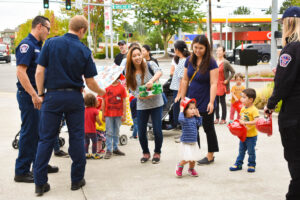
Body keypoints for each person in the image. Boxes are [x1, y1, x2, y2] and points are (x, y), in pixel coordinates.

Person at [34, 15, 106, 196]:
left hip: (52, 96)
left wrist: (41, 94)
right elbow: (90, 83)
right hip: (74, 98)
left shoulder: (50, 44)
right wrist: (102, 92)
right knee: (76, 137)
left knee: (46, 139)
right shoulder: (84, 50)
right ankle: (76, 180)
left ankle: (40, 183)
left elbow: (39, 72)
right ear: (82, 30)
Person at [14, 15, 58, 184]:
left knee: (41, 133)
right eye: (47, 28)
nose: (48, 32)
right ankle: (22, 171)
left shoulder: (38, 46)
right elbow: (21, 72)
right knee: (30, 133)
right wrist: (34, 94)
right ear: (39, 26)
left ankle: (40, 164)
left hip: (38, 97)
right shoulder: (27, 45)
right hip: (28, 97)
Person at [265, 6, 300, 200]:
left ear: (290, 23)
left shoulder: (291, 48)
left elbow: (283, 84)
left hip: (294, 115)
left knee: (295, 160)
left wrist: (270, 104)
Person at [179, 35, 219, 165]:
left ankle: (210, 155)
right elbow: (185, 80)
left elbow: (214, 83)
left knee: (208, 128)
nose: (197, 50)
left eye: (201, 48)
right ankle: (193, 154)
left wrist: (211, 102)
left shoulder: (211, 62)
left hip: (206, 99)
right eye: (195, 47)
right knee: (192, 128)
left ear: (206, 48)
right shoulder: (189, 60)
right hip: (192, 101)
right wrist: (183, 98)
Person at [125, 46, 164, 164]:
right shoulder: (129, 73)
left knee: (157, 130)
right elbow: (133, 91)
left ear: (142, 55)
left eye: (139, 54)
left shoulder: (150, 64)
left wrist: (151, 81)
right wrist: (142, 95)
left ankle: (157, 152)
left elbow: (159, 72)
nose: (137, 57)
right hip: (142, 104)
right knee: (141, 132)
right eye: (134, 55)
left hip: (157, 102)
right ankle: (145, 152)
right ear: (130, 58)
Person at [229, 88, 259, 173]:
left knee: (251, 152)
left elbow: (257, 121)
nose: (241, 99)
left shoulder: (254, 110)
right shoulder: (243, 109)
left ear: (250, 100)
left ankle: (251, 165)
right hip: (243, 135)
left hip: (251, 136)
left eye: (244, 97)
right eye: (241, 97)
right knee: (241, 151)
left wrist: (246, 123)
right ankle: (238, 164)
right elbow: (241, 120)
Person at [175, 98, 202, 178]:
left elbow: (199, 124)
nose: (193, 110)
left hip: (194, 142)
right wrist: (181, 110)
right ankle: (179, 166)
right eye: (191, 109)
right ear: (185, 110)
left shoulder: (194, 118)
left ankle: (191, 169)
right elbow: (180, 119)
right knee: (187, 158)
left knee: (193, 159)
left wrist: (198, 115)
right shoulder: (184, 119)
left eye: (194, 108)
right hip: (186, 142)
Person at [102, 75, 127, 159]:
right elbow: (103, 101)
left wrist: (124, 114)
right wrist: (103, 114)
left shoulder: (122, 88)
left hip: (118, 113)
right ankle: (108, 150)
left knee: (116, 131)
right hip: (108, 114)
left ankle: (115, 148)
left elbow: (124, 102)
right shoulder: (106, 87)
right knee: (109, 132)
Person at [170, 40, 190, 129]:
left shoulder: (183, 61)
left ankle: (182, 128)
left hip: (179, 90)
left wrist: (179, 95)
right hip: (178, 89)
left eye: (174, 48)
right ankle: (180, 127)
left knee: (179, 110)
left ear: (177, 50)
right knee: (178, 109)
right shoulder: (182, 60)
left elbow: (182, 79)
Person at [214, 46, 235, 124]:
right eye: (217, 51)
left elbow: (233, 72)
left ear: (223, 52)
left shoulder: (226, 62)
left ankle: (223, 119)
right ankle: (216, 118)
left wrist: (227, 80)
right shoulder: (215, 61)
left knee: (222, 102)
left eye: (220, 51)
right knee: (215, 102)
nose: (218, 52)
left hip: (223, 84)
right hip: (215, 85)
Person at [84, 93, 102, 159]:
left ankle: (86, 153)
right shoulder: (95, 110)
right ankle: (94, 154)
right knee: (94, 142)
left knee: (86, 142)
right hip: (92, 130)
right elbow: (97, 119)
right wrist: (99, 123)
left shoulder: (84, 110)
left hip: (84, 130)